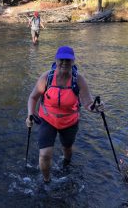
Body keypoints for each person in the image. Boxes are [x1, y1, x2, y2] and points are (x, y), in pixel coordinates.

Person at [26, 46, 104, 183]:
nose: (64, 63)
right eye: (61, 59)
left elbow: (87, 103)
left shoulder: (78, 80)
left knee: (67, 148)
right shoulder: (46, 77)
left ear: (72, 62)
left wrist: (96, 108)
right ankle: (47, 181)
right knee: (44, 154)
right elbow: (33, 97)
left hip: (69, 122)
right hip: (47, 120)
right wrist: (30, 115)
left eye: (68, 60)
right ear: (56, 60)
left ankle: (66, 164)